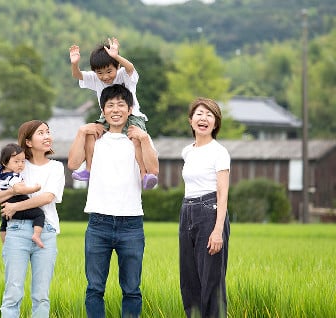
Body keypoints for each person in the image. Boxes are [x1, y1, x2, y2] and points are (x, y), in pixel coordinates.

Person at [68, 84, 159, 318]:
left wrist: (145, 138)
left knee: (131, 290)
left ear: (130, 110)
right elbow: (72, 163)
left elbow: (154, 169)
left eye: (121, 105)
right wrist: (81, 132)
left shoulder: (136, 138)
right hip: (99, 223)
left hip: (131, 224)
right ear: (103, 109)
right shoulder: (94, 138)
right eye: (110, 105)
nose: (115, 109)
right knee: (95, 289)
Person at [0, 120, 65, 317]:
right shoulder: (18, 165)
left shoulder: (56, 167)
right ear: (28, 141)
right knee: (12, 292)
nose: (47, 136)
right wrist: (14, 190)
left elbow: (48, 197)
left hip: (46, 231)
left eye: (48, 132)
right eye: (41, 133)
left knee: (41, 295)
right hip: (16, 231)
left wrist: (15, 205)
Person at [69, 37, 158, 189]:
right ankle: (88, 169)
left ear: (116, 67)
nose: (105, 77)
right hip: (106, 117)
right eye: (100, 73)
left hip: (133, 116)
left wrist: (116, 56)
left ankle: (144, 174)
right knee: (91, 134)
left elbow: (130, 68)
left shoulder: (123, 75)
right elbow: (78, 75)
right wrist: (75, 63)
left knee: (136, 139)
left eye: (109, 71)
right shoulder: (96, 78)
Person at [179, 97, 231, 318]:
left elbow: (222, 192)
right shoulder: (187, 151)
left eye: (210, 115)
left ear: (215, 123)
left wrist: (218, 230)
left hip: (210, 213)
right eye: (200, 114)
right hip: (187, 212)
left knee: (211, 281)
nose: (204, 118)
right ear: (191, 121)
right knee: (189, 280)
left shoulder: (219, 152)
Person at [0, 143, 45, 248]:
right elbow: (19, 189)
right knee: (39, 214)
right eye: (16, 161)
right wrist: (35, 188)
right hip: (17, 202)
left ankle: (5, 244)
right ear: (5, 162)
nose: (20, 164)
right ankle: (36, 235)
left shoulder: (0, 173)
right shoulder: (13, 176)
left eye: (23, 161)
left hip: (5, 204)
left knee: (4, 224)